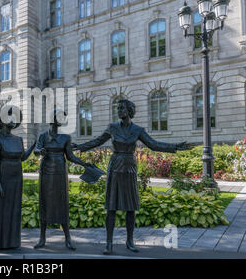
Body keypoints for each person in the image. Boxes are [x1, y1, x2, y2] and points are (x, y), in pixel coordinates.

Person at [72, 99, 193, 255]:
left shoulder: (138, 130)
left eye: (122, 108)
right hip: (115, 167)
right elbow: (97, 141)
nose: (119, 111)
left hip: (129, 167)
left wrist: (175, 147)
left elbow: (154, 145)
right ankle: (108, 243)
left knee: (130, 207)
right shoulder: (112, 128)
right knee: (111, 206)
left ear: (129, 110)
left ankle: (129, 241)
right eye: (118, 108)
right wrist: (79, 147)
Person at [34, 109, 91, 250]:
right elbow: (36, 150)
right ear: (52, 118)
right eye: (59, 116)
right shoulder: (43, 136)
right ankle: (42, 237)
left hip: (60, 172)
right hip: (46, 171)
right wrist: (39, 151)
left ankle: (68, 238)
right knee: (45, 202)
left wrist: (84, 163)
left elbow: (70, 156)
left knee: (62, 202)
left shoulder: (65, 137)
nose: (61, 119)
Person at [0, 106, 36, 250]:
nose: (13, 120)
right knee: (0, 209)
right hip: (3, 176)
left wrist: (32, 147)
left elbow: (22, 158)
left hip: (17, 177)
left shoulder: (18, 139)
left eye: (14, 117)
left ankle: (12, 242)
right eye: (9, 117)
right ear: (1, 120)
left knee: (14, 209)